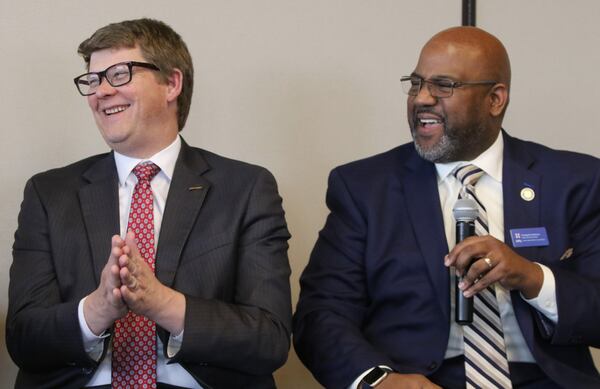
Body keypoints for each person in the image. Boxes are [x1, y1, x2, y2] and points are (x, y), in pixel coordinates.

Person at [293, 26, 600, 389]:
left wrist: (531, 277)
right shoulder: (364, 188)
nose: (422, 98)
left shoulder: (574, 181)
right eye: (416, 83)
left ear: (495, 99)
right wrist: (377, 380)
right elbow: (321, 314)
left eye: (443, 85)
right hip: (418, 381)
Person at [7, 18, 292, 389]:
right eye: (93, 80)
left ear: (172, 83)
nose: (101, 92)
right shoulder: (49, 193)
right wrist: (97, 310)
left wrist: (161, 303)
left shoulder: (246, 189)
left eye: (119, 74)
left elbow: (269, 339)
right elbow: (23, 339)